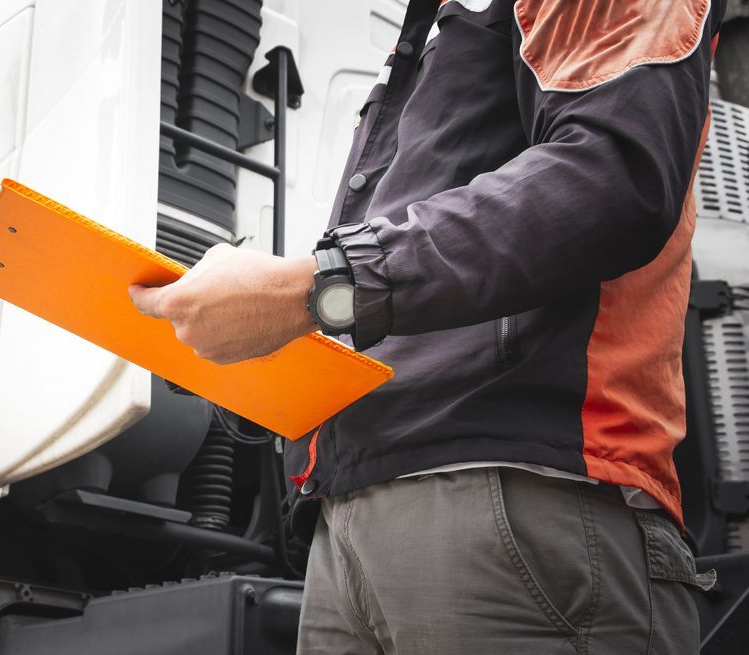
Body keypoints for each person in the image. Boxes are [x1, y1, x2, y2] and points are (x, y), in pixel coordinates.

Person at [130, 0, 725, 652]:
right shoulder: (438, 32)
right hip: (360, 519)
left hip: (517, 493)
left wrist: (316, 289)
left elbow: (611, 178)